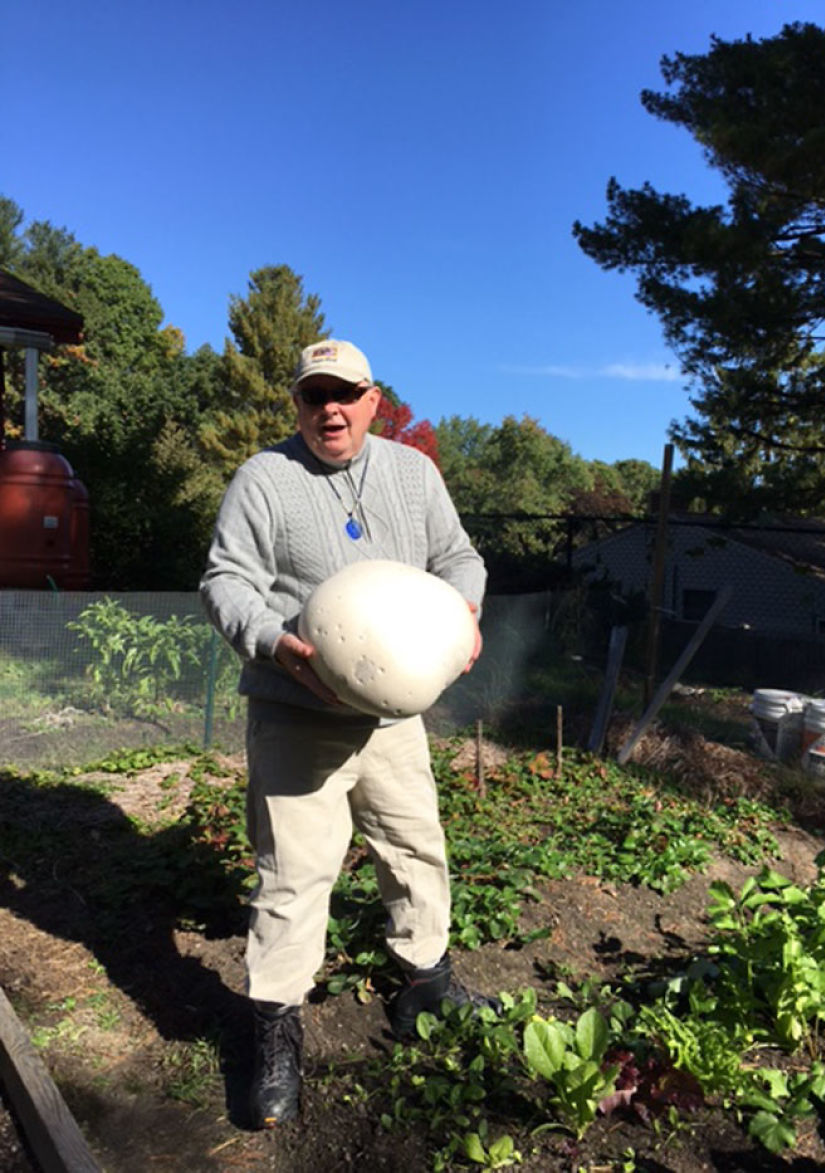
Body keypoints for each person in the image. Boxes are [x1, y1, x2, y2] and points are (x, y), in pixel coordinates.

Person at [200, 339, 498, 1129]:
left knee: (416, 846)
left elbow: (460, 557)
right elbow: (226, 579)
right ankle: (275, 1026)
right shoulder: (265, 478)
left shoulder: (414, 473)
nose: (329, 408)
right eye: (313, 395)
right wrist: (273, 641)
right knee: (293, 874)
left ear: (375, 400)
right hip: (298, 711)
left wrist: (462, 616)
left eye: (345, 393)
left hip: (392, 717)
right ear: (296, 405)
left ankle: (425, 985)